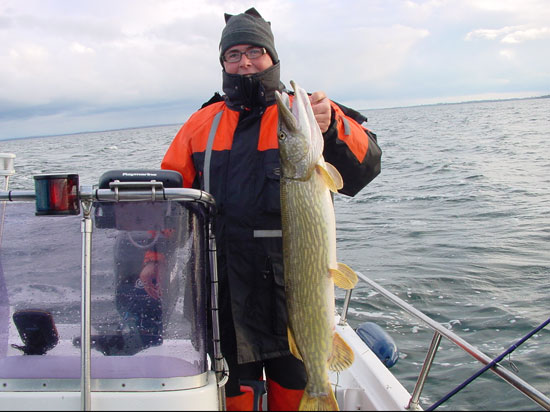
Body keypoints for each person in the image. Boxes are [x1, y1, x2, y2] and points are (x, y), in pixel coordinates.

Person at [142, 7, 381, 411]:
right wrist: (152, 258)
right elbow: (172, 203)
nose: (245, 61)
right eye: (232, 54)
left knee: (295, 388)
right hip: (223, 290)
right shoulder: (201, 123)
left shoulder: (305, 114)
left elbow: (365, 167)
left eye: (255, 50)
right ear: (222, 63)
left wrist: (333, 124)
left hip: (292, 290)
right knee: (234, 395)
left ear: (272, 57)